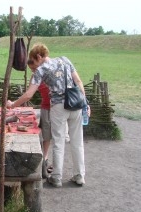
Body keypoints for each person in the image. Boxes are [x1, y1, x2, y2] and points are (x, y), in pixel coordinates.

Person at [7, 43, 90, 187]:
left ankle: (57, 177)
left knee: (58, 141)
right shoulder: (65, 60)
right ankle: (79, 176)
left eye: (34, 60)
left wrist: (12, 104)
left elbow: (28, 95)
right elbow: (78, 81)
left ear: (38, 56)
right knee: (77, 141)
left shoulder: (41, 70)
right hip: (75, 104)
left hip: (58, 106)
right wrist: (85, 103)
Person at [28, 59, 52, 178]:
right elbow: (28, 93)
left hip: (56, 107)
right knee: (46, 135)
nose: (33, 71)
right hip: (45, 107)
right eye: (31, 69)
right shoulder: (35, 76)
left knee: (56, 136)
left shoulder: (48, 72)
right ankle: (45, 159)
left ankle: (49, 162)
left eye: (34, 68)